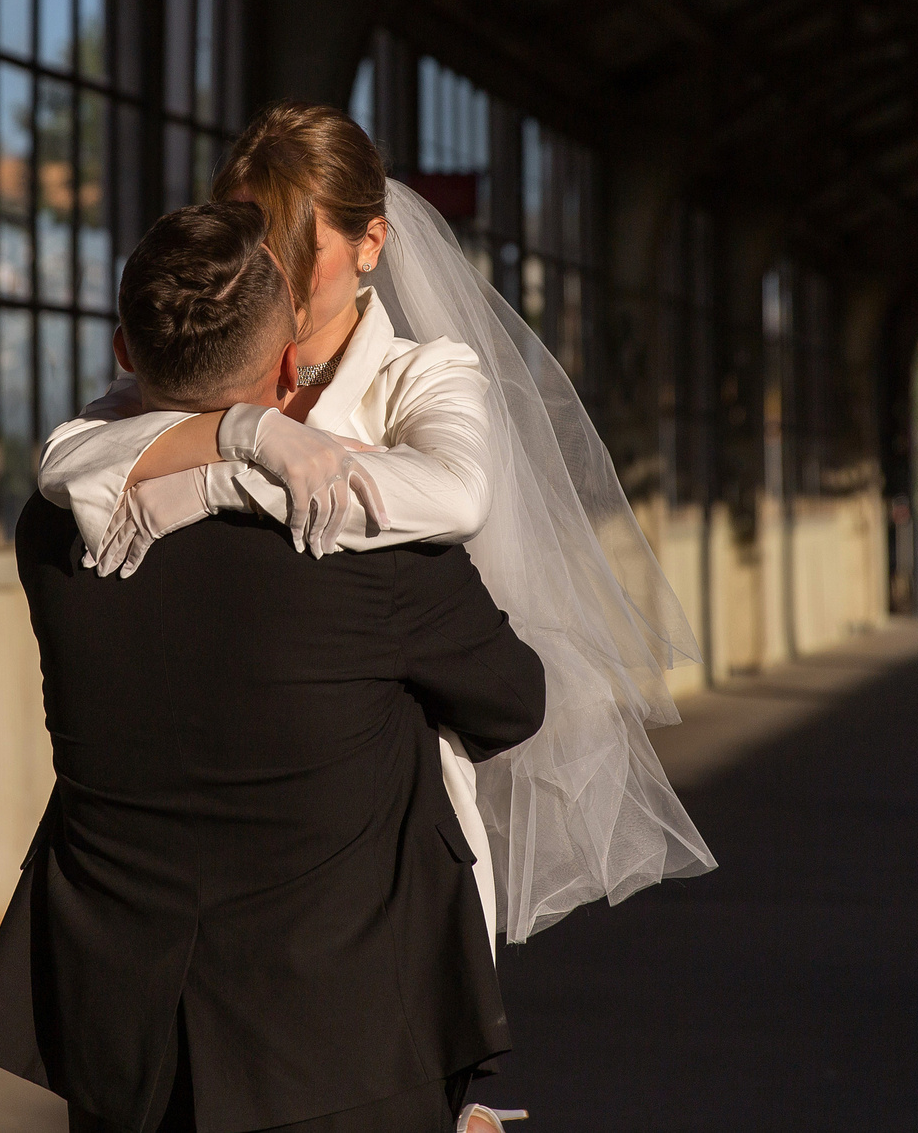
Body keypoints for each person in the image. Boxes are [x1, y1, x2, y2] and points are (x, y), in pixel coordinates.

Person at [40, 103, 713, 949]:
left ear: (371, 245)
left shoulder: (424, 376)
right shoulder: (199, 356)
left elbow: (457, 494)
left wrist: (213, 487)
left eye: (300, 243)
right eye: (255, 233)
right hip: (191, 830)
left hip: (372, 849)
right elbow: (67, 459)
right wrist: (243, 432)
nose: (276, 269)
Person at [0, 201, 547, 1133]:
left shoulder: (56, 539)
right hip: (347, 1050)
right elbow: (514, 699)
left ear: (121, 350)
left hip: (130, 1052)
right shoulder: (368, 550)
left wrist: (232, 449)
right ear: (286, 366)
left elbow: (77, 460)